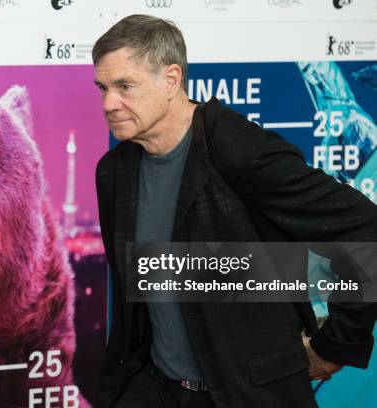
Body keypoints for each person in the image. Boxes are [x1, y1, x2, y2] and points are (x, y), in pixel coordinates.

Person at [92, 14, 377, 408]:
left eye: (125, 86)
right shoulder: (115, 172)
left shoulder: (239, 150)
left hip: (247, 395)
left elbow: (364, 230)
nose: (109, 103)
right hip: (155, 388)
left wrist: (337, 344)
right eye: (103, 87)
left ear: (171, 80)